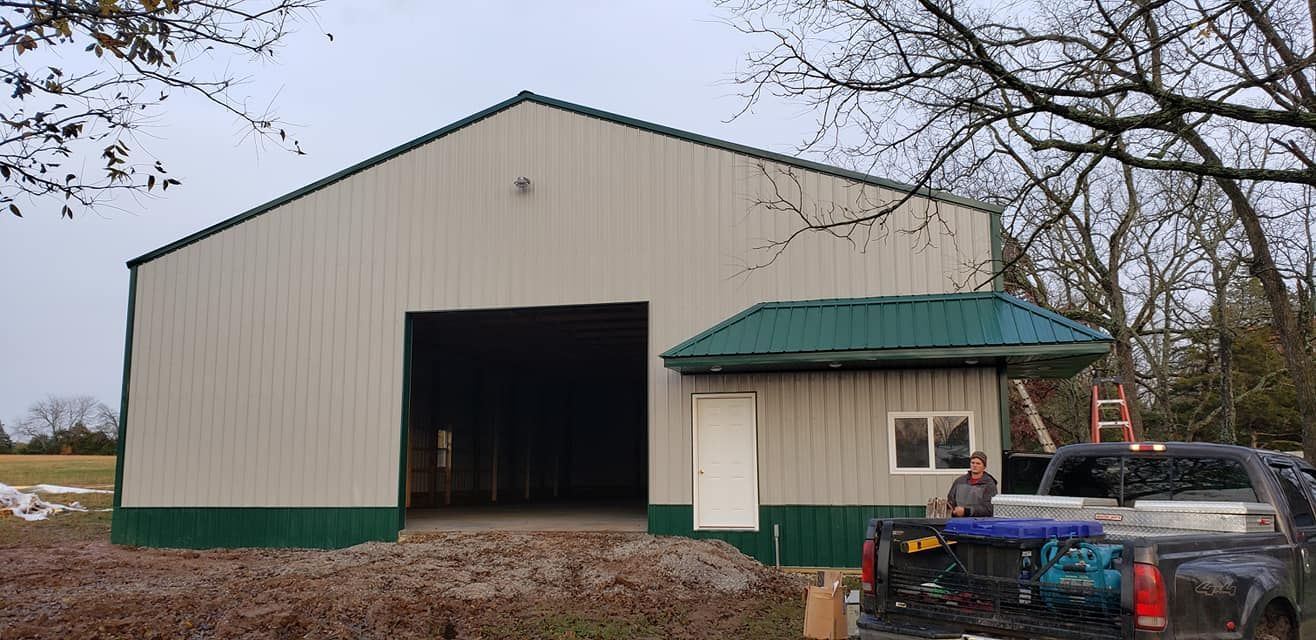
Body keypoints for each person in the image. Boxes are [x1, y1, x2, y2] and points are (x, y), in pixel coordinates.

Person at [947, 450, 997, 517]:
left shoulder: (989, 484)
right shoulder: (959, 481)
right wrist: (951, 510)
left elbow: (989, 509)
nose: (975, 465)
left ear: (984, 467)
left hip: (979, 523)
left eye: (978, 463)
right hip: (958, 521)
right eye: (973, 463)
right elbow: (950, 501)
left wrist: (966, 511)